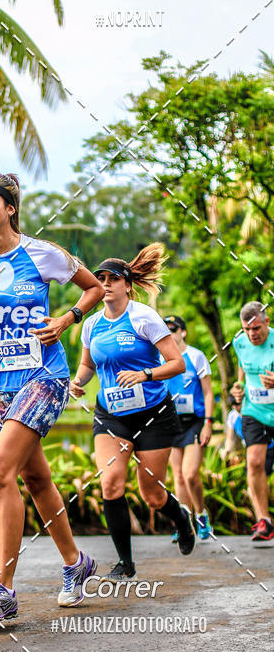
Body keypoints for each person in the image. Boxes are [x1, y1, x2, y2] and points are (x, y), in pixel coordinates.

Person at [0, 173, 105, 620]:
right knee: (34, 480)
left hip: (45, 376)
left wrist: (66, 320)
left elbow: (95, 288)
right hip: (0, 386)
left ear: (9, 208)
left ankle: (3, 590)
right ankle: (76, 563)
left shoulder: (43, 254)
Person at [70, 244, 194, 581]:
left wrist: (145, 374)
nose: (106, 283)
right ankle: (125, 562)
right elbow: (86, 365)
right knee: (110, 483)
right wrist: (78, 383)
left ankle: (180, 517)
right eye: (101, 278)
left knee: (152, 495)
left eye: (113, 278)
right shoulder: (91, 324)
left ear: (127, 285)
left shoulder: (143, 317)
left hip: (152, 412)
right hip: (111, 415)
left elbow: (177, 363)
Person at [163, 315, 214, 542]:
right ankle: (184, 525)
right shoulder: (160, 358)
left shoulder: (196, 356)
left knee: (190, 473)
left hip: (194, 421)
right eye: (166, 330)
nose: (170, 333)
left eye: (173, 329)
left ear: (182, 332)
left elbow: (208, 392)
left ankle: (201, 515)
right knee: (178, 477)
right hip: (171, 422)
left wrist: (209, 422)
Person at [231, 301, 274, 545]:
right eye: (247, 330)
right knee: (255, 462)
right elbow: (242, 372)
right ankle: (263, 521)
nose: (252, 334)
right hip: (254, 410)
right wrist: (238, 390)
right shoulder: (240, 342)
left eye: (256, 328)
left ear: (266, 322)